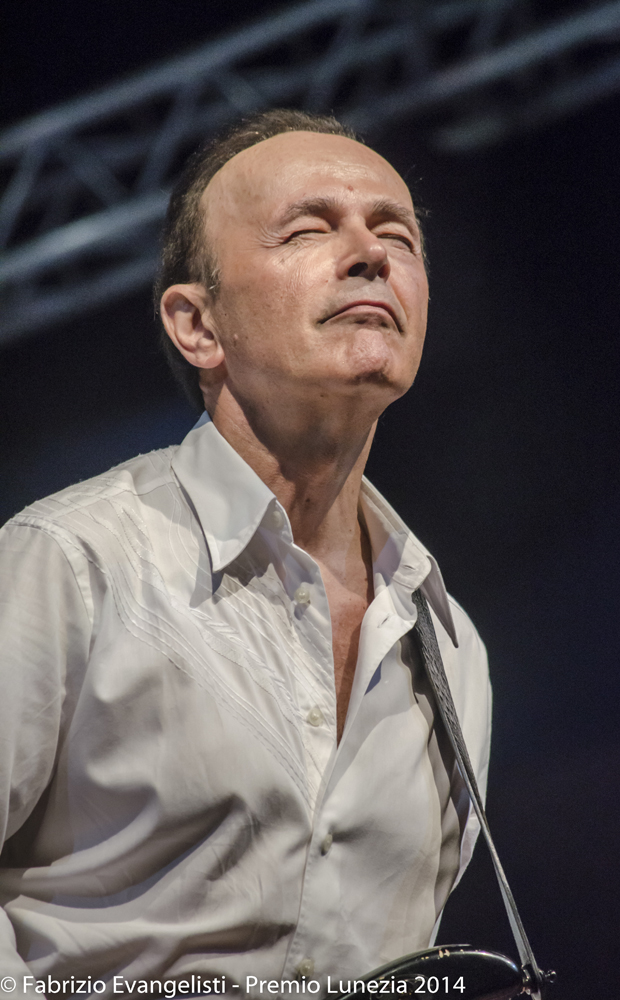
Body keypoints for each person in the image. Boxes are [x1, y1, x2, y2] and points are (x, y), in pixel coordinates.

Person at [0, 110, 491, 995]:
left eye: (397, 236)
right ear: (198, 326)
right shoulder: (70, 563)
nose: (370, 254)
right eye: (308, 230)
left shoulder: (452, 652)